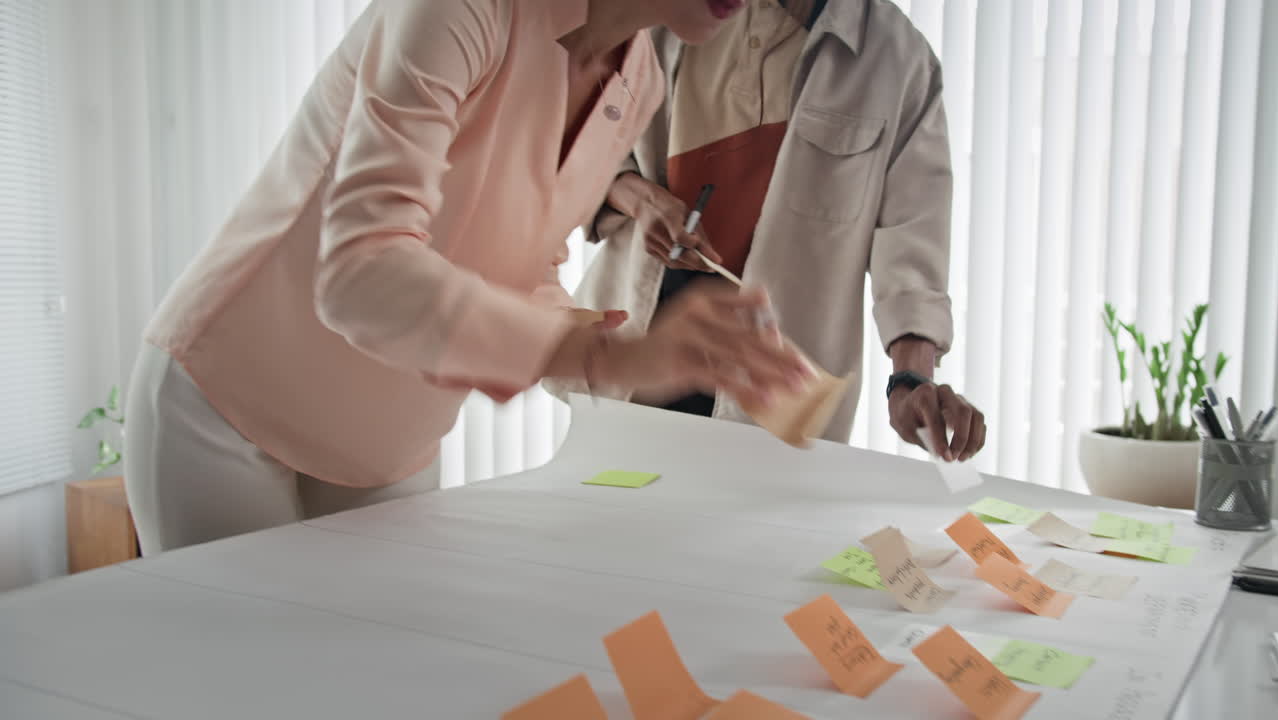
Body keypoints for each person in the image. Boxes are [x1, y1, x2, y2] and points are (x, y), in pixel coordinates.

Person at [125, 0, 813, 555]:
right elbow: (360, 272)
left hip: (391, 430)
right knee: (239, 671)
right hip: (235, 398)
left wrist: (602, 336)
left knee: (372, 666)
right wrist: (599, 356)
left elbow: (529, 254)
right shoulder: (461, 11)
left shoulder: (640, 81)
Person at [563, 0, 987, 461]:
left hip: (777, 394)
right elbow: (575, 138)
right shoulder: (673, 14)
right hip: (639, 358)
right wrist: (639, 199)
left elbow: (913, 243)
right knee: (616, 498)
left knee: (761, 505)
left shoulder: (897, 59)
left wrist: (911, 379)